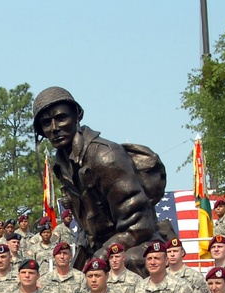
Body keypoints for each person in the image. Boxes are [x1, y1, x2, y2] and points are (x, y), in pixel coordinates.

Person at [33, 86, 165, 271]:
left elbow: (140, 224)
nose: (54, 128)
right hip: (100, 247)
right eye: (46, 123)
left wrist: (99, 258)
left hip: (136, 245)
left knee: (127, 263)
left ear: (77, 115)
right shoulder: (63, 163)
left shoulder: (104, 156)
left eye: (61, 118)